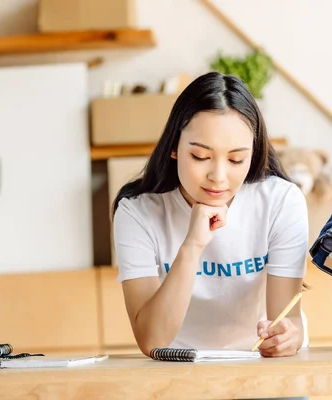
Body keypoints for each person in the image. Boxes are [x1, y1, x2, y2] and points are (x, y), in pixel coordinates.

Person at [112, 72, 309, 400]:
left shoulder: (280, 202)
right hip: (178, 380)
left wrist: (289, 336)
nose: (218, 176)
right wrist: (192, 246)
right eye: (200, 156)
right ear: (174, 147)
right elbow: (152, 340)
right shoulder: (137, 212)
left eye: (236, 159)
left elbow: (286, 318)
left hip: (262, 374)